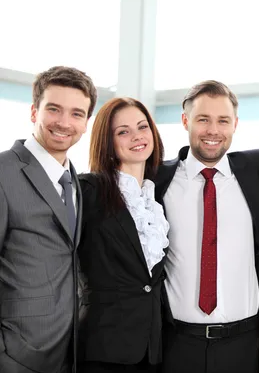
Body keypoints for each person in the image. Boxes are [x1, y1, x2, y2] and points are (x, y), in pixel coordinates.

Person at [155, 80, 259, 373]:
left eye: (223, 120)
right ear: (185, 121)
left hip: (244, 345)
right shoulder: (158, 177)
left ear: (235, 124)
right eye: (203, 119)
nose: (213, 130)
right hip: (178, 346)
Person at [0, 66, 97, 373]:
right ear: (34, 112)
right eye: (54, 109)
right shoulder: (4, 173)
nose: (64, 123)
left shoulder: (75, 180)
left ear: (85, 123)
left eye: (76, 114)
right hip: (15, 355)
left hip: (68, 351)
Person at [76, 97, 169, 372]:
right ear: (108, 142)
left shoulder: (155, 200)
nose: (137, 137)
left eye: (142, 127)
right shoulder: (88, 191)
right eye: (123, 131)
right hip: (103, 346)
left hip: (151, 350)